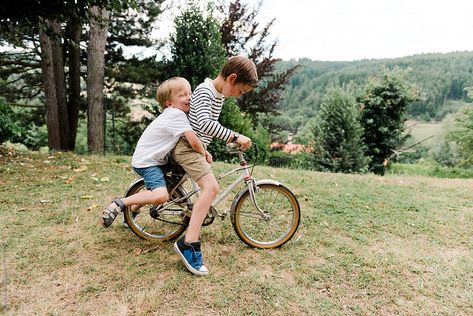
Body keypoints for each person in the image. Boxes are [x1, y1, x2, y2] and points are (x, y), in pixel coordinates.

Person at [173, 56, 258, 276]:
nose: (239, 96)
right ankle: (188, 243)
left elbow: (202, 127)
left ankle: (131, 211)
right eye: (241, 91)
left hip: (195, 148)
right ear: (232, 78)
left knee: (173, 187)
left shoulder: (217, 95)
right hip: (186, 147)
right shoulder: (205, 90)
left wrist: (205, 148)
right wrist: (234, 135)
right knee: (211, 188)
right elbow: (202, 122)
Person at [101, 77, 211, 227]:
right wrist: (204, 152)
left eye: (190, 93)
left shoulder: (174, 114)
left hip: (157, 158)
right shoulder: (175, 115)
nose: (189, 97)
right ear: (169, 103)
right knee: (160, 196)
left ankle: (130, 214)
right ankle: (120, 203)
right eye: (183, 95)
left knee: (176, 178)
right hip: (148, 162)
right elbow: (192, 140)